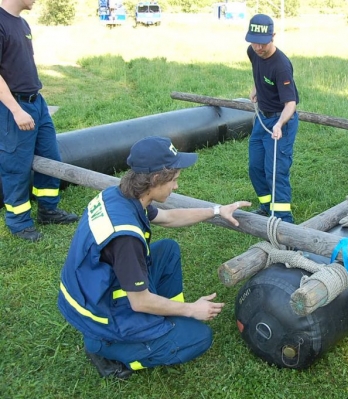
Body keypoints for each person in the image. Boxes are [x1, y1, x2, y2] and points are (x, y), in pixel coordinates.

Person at [57, 136, 251, 379]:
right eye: (175, 180)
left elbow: (169, 218)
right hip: (100, 310)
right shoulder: (125, 238)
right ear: (156, 179)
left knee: (167, 250)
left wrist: (217, 211)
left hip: (93, 288)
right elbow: (139, 302)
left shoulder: (120, 195)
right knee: (199, 337)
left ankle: (164, 320)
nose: (176, 187)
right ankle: (107, 348)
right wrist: (191, 309)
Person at [0, 0, 78, 242]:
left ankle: (48, 210)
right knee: (16, 166)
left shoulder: (21, 23)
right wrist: (15, 110)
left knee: (51, 158)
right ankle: (19, 222)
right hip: (14, 106)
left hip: (37, 103)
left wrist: (36, 103)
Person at [245, 13, 299, 224]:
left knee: (275, 171)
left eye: (263, 43)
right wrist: (256, 87)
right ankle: (267, 207)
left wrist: (279, 124)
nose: (259, 48)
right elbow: (258, 73)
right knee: (256, 167)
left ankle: (283, 220)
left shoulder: (281, 66)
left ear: (273, 36)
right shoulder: (252, 52)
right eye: (255, 42)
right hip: (262, 120)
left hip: (280, 121)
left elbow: (291, 104)